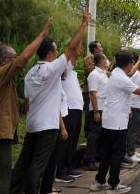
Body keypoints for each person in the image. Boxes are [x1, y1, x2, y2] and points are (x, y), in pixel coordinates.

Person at [10, 11, 90, 194]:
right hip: (47, 127)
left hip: (32, 125)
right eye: (55, 50)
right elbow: (71, 49)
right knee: (38, 166)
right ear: (50, 53)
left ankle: (15, 190)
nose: (57, 52)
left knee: (24, 162)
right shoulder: (52, 70)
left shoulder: (30, 73)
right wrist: (84, 24)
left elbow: (27, 103)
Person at [0, 18, 52, 194]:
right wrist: (42, 34)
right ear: (4, 61)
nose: (16, 61)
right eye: (12, 58)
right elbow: (24, 58)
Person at [89, 51, 140, 193]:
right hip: (117, 122)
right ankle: (113, 185)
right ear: (129, 63)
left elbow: (130, 73)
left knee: (107, 153)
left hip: (109, 121)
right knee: (117, 154)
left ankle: (99, 181)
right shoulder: (121, 78)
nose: (133, 66)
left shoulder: (116, 72)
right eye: (133, 63)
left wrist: (138, 60)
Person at [56, 46, 84, 181]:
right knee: (66, 141)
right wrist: (75, 50)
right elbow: (72, 55)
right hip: (68, 110)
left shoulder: (72, 73)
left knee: (73, 141)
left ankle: (69, 167)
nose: (76, 59)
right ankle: (61, 172)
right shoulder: (64, 70)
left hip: (76, 110)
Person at [83, 53, 109, 171]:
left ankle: (96, 158)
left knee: (100, 135)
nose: (107, 61)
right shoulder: (94, 75)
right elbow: (93, 93)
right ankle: (88, 161)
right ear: (101, 61)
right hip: (97, 108)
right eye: (105, 59)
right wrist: (95, 111)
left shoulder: (103, 73)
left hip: (104, 108)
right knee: (93, 136)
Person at [126, 52, 140, 163]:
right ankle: (130, 152)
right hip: (134, 105)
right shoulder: (132, 73)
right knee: (132, 131)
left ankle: (133, 150)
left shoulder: (138, 73)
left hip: (139, 105)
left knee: (135, 130)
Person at [83, 41, 104, 137]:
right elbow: (91, 71)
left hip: (98, 91)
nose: (102, 48)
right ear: (95, 49)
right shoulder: (88, 59)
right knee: (90, 113)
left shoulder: (102, 59)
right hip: (89, 90)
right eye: (100, 46)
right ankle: (88, 133)